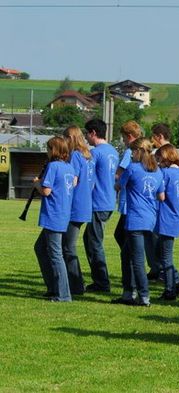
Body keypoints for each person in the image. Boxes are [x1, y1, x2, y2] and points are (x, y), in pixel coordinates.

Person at [112, 137, 164, 307]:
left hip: (135, 219)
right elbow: (161, 196)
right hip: (150, 218)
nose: (131, 154)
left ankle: (143, 296)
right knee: (125, 254)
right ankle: (128, 293)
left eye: (133, 151)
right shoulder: (157, 171)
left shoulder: (133, 169)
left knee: (137, 260)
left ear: (138, 152)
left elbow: (118, 186)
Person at [34, 136, 76, 302]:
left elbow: (46, 191)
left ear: (54, 150)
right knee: (40, 248)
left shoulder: (53, 166)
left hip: (53, 214)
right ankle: (53, 287)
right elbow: (72, 184)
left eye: (48, 149)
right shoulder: (69, 167)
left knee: (56, 255)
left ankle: (63, 294)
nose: (47, 152)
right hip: (62, 213)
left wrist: (37, 183)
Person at [83, 119, 119, 292]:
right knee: (89, 239)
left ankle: (102, 282)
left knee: (94, 242)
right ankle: (100, 280)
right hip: (109, 200)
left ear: (93, 133)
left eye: (86, 134)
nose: (85, 138)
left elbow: (89, 179)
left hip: (98, 202)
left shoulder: (96, 153)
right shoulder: (113, 151)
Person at [154, 144, 179, 300]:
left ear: (165, 157)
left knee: (165, 255)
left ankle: (170, 289)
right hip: (177, 217)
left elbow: (161, 195)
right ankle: (176, 281)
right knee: (159, 252)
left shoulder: (165, 173)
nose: (157, 162)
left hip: (165, 218)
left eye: (158, 158)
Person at [62, 125, 94, 295]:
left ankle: (75, 284)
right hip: (85, 205)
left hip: (75, 206)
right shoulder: (88, 156)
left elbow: (72, 182)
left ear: (71, 138)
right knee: (67, 245)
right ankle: (73, 282)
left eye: (65, 138)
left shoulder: (75, 155)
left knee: (68, 247)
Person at [114, 121, 142, 287]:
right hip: (136, 204)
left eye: (123, 137)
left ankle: (132, 276)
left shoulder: (129, 152)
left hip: (128, 203)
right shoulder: (144, 150)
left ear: (129, 136)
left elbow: (120, 174)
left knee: (124, 239)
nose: (123, 141)